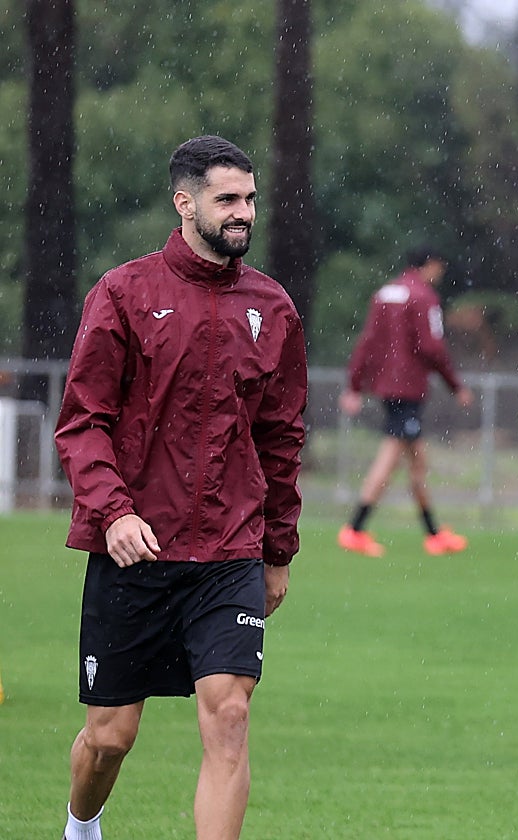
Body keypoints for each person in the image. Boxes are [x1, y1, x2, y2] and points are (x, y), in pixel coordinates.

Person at [54, 135, 307, 840]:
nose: (243, 213)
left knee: (230, 715)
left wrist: (277, 550)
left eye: (251, 199)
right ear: (184, 201)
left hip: (229, 551)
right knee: (110, 738)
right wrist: (113, 513)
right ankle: (81, 826)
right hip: (133, 549)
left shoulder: (273, 309)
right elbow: (83, 422)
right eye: (228, 199)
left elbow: (281, 441)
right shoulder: (124, 293)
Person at [337, 246, 474, 558]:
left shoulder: (385, 294)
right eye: (439, 266)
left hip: (387, 387)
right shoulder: (424, 297)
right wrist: (455, 384)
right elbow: (432, 347)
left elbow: (368, 342)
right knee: (390, 459)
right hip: (409, 389)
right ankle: (355, 529)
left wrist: (355, 384)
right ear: (429, 265)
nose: (440, 272)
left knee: (417, 462)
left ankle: (433, 533)